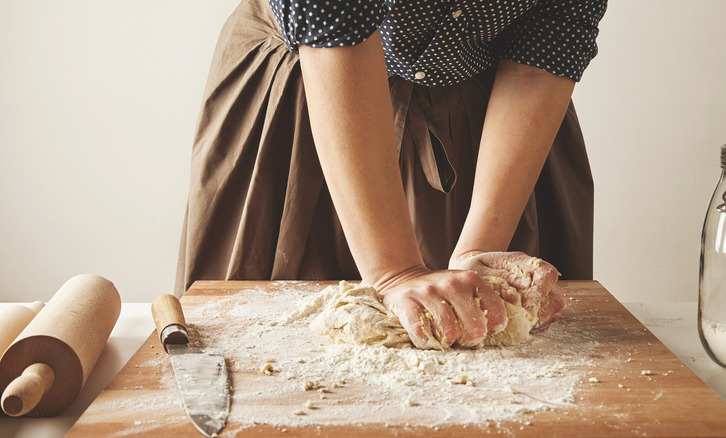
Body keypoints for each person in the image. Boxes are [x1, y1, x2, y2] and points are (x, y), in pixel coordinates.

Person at [175, 0, 607, 349]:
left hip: (495, 109)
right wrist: (395, 272)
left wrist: (481, 248)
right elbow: (334, 29)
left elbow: (541, 57)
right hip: (310, 81)